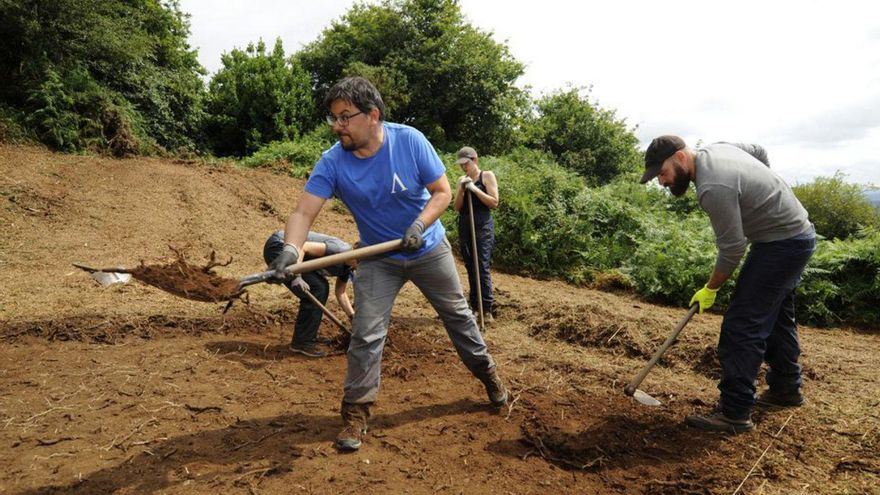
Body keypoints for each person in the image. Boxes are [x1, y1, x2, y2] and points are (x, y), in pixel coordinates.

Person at [267, 76, 508, 452]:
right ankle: (356, 413)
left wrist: (418, 224)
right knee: (366, 332)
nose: (338, 126)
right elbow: (302, 213)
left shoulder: (409, 140)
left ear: (373, 115)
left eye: (345, 117)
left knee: (457, 316)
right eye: (334, 118)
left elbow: (442, 192)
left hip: (428, 248)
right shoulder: (333, 162)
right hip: (378, 257)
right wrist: (289, 250)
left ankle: (487, 373)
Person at [640, 135, 816, 434]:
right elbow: (759, 150)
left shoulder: (712, 187)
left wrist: (711, 288)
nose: (662, 181)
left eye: (663, 172)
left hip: (781, 244)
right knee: (776, 318)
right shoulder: (719, 148)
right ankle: (786, 389)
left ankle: (735, 413)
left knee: (741, 326)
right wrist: (766, 194)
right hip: (794, 236)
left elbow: (733, 247)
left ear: (681, 158)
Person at [263, 230, 355, 357]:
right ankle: (302, 342)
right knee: (318, 288)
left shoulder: (349, 267)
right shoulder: (339, 250)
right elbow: (304, 247)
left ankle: (308, 336)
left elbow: (341, 292)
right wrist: (297, 276)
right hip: (282, 247)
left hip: (293, 252)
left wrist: (352, 316)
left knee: (320, 287)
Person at [453, 146, 499, 322]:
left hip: (482, 224)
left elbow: (494, 202)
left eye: (466, 164)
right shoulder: (461, 180)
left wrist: (475, 189)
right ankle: (473, 306)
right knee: (470, 266)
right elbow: (457, 207)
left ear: (475, 160)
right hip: (465, 223)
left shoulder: (486, 176)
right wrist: (463, 190)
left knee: (481, 265)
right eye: (461, 165)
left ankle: (486, 309)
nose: (464, 168)